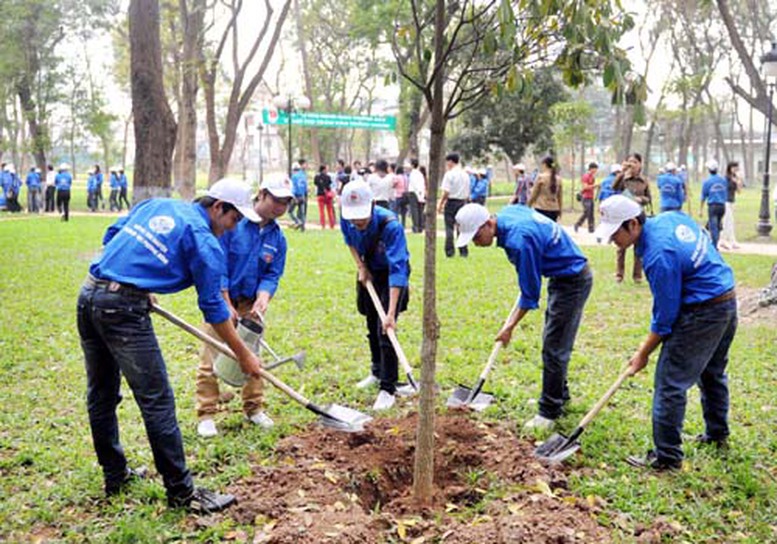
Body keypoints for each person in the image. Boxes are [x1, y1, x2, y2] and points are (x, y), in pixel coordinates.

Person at [78, 178, 262, 513]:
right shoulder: (206, 242)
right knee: (158, 402)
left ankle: (115, 476)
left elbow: (113, 234)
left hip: (90, 293)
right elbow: (215, 311)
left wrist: (132, 277)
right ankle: (182, 493)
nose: (234, 229)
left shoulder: (160, 204)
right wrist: (243, 353)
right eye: (234, 219)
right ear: (218, 207)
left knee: (101, 394)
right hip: (122, 311)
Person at [595, 195, 737, 470]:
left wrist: (642, 354)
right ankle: (717, 435)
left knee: (670, 383)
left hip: (704, 311)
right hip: (726, 298)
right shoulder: (670, 218)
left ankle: (667, 457)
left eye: (615, 234)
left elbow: (665, 318)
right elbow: (704, 238)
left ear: (633, 224)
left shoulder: (658, 255)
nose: (613, 240)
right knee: (712, 372)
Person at [455, 203, 592, 429]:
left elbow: (530, 296)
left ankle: (549, 411)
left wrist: (509, 326)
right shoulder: (508, 213)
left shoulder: (520, 241)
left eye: (476, 236)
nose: (475, 243)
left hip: (573, 280)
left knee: (554, 347)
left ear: (489, 223)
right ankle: (558, 394)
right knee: (554, 342)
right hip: (561, 276)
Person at [196, 175, 292, 438]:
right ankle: (206, 414)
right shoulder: (232, 223)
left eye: (286, 203)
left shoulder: (278, 238)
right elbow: (218, 263)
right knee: (212, 355)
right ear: (261, 194)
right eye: (276, 199)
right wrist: (226, 302)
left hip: (251, 304)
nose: (280, 207)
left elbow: (272, 274)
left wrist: (264, 297)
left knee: (252, 355)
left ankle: (254, 408)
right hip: (221, 297)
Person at [341, 179, 413, 410]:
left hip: (391, 277)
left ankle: (388, 387)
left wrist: (391, 313)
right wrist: (361, 267)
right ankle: (376, 371)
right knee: (371, 325)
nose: (358, 222)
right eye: (354, 217)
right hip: (369, 271)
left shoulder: (391, 226)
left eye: (362, 216)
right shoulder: (347, 218)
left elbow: (398, 270)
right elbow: (349, 242)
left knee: (385, 330)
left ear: (372, 205)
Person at [612, 153, 651, 283]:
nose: (632, 164)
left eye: (635, 162)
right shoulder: (623, 178)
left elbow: (648, 198)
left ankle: (637, 275)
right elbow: (614, 187)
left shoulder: (644, 180)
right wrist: (622, 172)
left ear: (640, 164)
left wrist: (640, 199)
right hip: (624, 215)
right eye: (630, 161)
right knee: (621, 246)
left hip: (638, 215)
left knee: (638, 246)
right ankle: (619, 274)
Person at [437, 152, 470, 258]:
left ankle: (450, 251)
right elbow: (468, 191)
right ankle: (463, 251)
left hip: (451, 202)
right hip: (462, 202)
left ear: (450, 162)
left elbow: (446, 192)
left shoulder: (449, 174)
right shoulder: (465, 174)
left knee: (449, 227)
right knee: (461, 228)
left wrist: (440, 203)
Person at [700, 160, 727, 249]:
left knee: (713, 226)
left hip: (713, 205)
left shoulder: (707, 182)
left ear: (709, 170)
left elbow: (703, 196)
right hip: (722, 206)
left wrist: (700, 209)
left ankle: (714, 246)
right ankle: (716, 241)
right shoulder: (723, 180)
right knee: (718, 225)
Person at [527, 156, 562, 222]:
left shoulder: (541, 177)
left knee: (541, 230)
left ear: (545, 165)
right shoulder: (558, 179)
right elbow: (559, 197)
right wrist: (560, 210)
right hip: (554, 210)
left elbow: (534, 194)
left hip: (541, 209)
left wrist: (528, 205)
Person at [720, 161, 741, 250]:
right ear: (730, 168)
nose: (735, 169)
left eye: (736, 168)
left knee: (730, 222)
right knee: (727, 221)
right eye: (734, 167)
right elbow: (724, 188)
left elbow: (739, 191)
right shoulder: (726, 178)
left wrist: (738, 181)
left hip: (732, 201)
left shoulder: (735, 178)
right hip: (726, 201)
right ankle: (725, 240)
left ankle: (729, 241)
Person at [574, 162, 598, 233]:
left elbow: (591, 187)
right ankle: (577, 224)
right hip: (585, 197)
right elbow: (585, 187)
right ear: (591, 169)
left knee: (591, 213)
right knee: (587, 212)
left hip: (591, 197)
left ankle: (591, 228)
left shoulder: (592, 177)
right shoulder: (586, 176)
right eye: (595, 169)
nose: (596, 171)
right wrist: (595, 186)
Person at [314, 164, 336, 229]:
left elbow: (315, 184)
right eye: (326, 169)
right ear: (323, 170)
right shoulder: (328, 177)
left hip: (320, 195)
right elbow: (329, 184)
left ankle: (323, 225)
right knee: (330, 211)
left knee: (321, 211)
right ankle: (331, 225)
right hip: (328, 196)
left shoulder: (317, 177)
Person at [407, 159, 426, 233]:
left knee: (414, 210)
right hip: (420, 192)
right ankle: (420, 226)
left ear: (412, 165)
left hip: (413, 192)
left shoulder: (413, 174)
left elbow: (414, 184)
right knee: (419, 210)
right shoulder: (420, 174)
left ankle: (416, 227)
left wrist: (418, 193)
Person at [289, 160, 308, 230]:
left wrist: (293, 196)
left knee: (290, 211)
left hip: (296, 196)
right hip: (302, 196)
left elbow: (293, 187)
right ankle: (303, 227)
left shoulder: (294, 176)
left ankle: (297, 221)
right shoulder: (303, 175)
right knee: (302, 212)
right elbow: (305, 187)